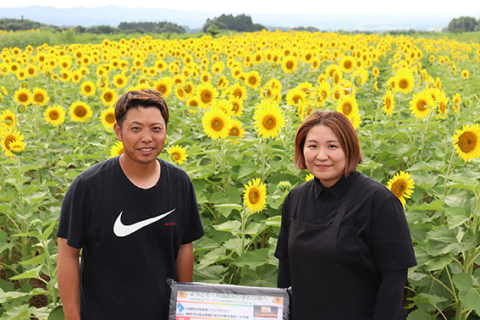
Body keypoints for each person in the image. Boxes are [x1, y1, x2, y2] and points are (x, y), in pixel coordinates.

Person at [56, 89, 204, 320]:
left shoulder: (179, 182)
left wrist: (183, 309)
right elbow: (68, 253)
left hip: (162, 312)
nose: (147, 138)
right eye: (136, 129)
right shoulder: (89, 186)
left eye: (156, 129)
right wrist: (72, 317)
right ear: (118, 131)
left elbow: (184, 246)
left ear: (166, 131)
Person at [275, 110, 416, 320]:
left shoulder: (378, 201)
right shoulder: (295, 199)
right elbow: (286, 269)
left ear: (349, 149)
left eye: (332, 146)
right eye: (312, 146)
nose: (321, 156)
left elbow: (395, 278)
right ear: (302, 150)